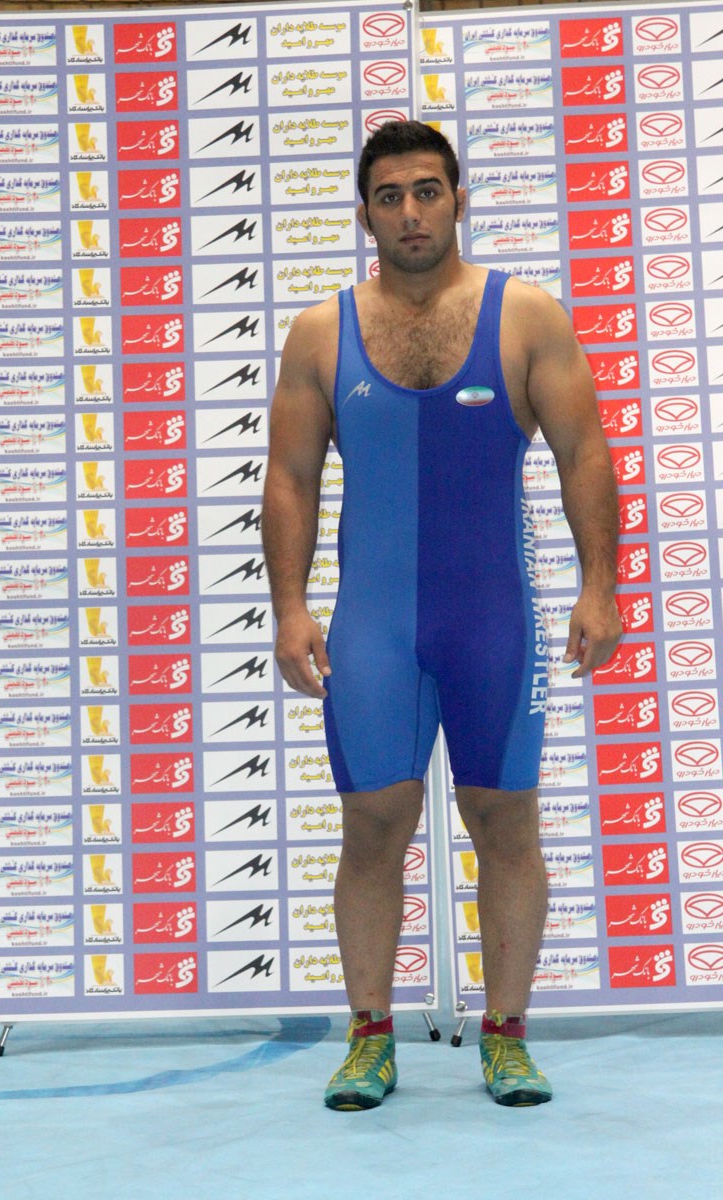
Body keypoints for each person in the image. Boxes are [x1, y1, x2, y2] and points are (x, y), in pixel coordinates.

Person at [262, 121, 622, 1110]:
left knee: (503, 820)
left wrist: (599, 586)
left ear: (459, 199)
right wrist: (289, 608)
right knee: (372, 825)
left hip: (490, 621)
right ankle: (368, 1036)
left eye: (427, 191)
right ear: (365, 214)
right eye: (389, 196)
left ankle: (505, 1036)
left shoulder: (525, 317)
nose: (410, 213)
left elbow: (583, 452)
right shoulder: (322, 333)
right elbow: (290, 478)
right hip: (374, 627)